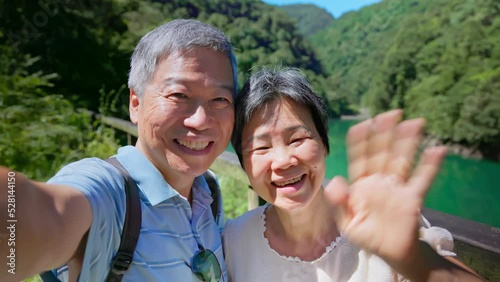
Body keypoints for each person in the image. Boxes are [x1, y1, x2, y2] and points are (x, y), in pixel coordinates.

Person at [0, 19, 237, 282]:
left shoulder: (208, 189)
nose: (200, 121)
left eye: (220, 100)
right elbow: (46, 214)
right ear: (136, 103)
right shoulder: (110, 194)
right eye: (179, 95)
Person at [223, 67, 484, 281]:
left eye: (297, 139)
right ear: (244, 163)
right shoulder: (234, 241)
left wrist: (414, 259)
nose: (282, 161)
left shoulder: (377, 221)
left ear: (324, 144)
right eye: (261, 147)